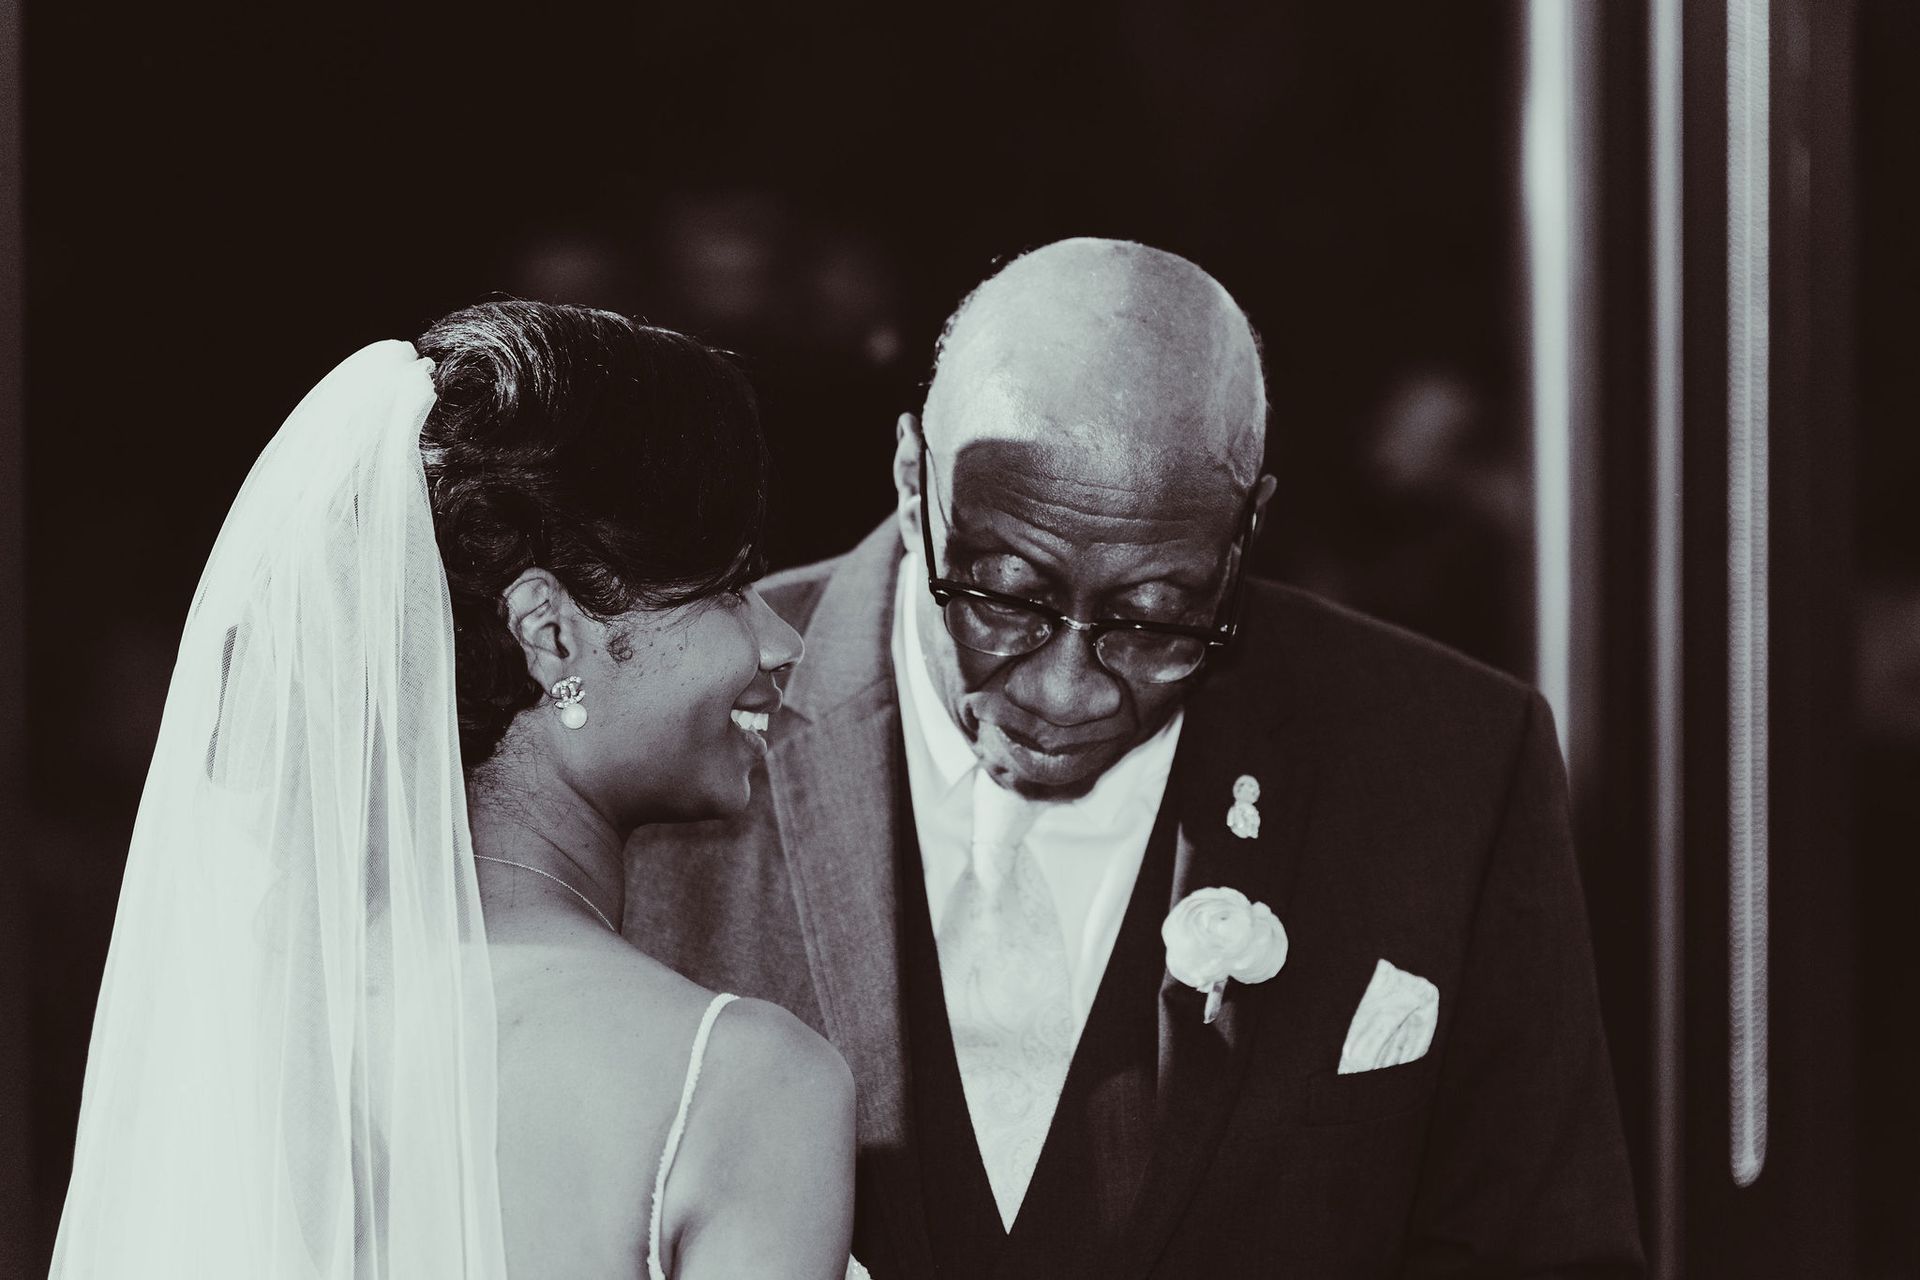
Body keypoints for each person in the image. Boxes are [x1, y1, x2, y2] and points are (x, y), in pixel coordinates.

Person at [626, 239, 1645, 1278]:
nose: (1068, 688)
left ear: (1246, 533)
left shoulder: (1449, 764)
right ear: (908, 478)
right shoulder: (659, 723)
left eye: (1157, 619)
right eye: (1003, 594)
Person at [52, 301, 859, 1279]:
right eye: (729, 586)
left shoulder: (248, 1033)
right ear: (550, 633)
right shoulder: (742, 1084)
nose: (780, 641)